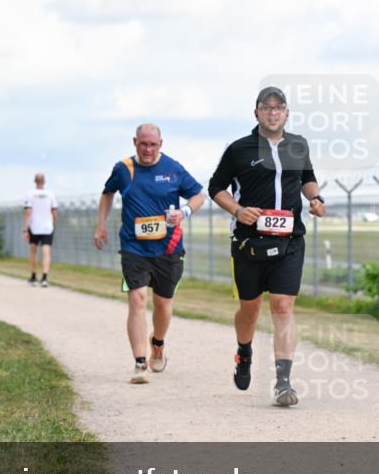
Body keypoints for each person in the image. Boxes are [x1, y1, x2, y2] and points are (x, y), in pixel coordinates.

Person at [208, 87, 326, 407]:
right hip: (249, 242)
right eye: (267, 107)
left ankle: (283, 382)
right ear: (256, 112)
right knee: (250, 310)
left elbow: (307, 178)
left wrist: (315, 198)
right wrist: (237, 210)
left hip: (290, 240)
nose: (273, 113)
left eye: (279, 108)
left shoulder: (298, 145)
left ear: (286, 113)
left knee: (282, 306)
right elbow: (216, 187)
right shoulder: (238, 149)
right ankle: (244, 351)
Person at [94, 124, 206, 384]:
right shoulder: (124, 169)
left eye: (153, 145)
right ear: (135, 142)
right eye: (143, 144)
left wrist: (184, 212)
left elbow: (199, 196)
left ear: (161, 144)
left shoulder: (173, 168)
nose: (148, 149)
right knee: (137, 299)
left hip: (169, 247)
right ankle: (139, 363)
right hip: (133, 247)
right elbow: (107, 194)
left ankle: (158, 342)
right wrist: (100, 226)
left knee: (163, 303)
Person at [24, 173, 58, 287]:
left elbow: (28, 212)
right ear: (44, 181)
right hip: (47, 227)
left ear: (35, 181)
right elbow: (54, 212)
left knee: (33, 252)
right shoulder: (50, 194)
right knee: (46, 253)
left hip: (34, 227)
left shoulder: (30, 194)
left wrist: (26, 229)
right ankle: (44, 278)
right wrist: (54, 223)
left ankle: (33, 277)